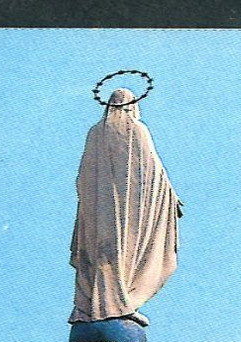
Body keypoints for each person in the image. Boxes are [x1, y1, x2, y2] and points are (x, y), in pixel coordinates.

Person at [70, 87, 182, 327]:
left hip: (97, 209)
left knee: (100, 254)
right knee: (122, 254)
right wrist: (170, 197)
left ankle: (89, 306)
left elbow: (82, 176)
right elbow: (152, 173)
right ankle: (119, 304)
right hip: (128, 210)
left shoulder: (94, 133)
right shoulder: (137, 130)